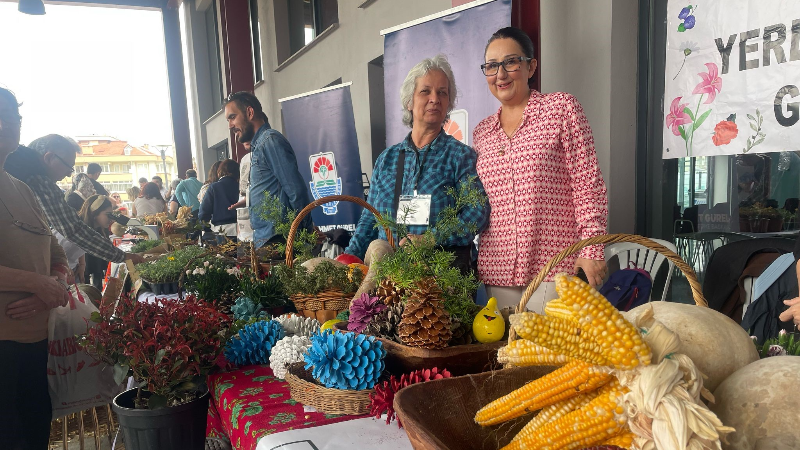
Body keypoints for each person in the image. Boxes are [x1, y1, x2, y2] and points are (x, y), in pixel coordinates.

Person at [472, 27, 608, 311]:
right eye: (491, 66)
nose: (501, 74)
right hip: (497, 270)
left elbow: (588, 184)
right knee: (507, 353)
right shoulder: (482, 132)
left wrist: (592, 248)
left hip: (555, 267)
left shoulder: (561, 109)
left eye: (511, 62)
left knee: (551, 355)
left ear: (531, 66)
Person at [344, 55, 490, 272]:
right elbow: (369, 219)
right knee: (376, 248)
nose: (435, 98)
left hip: (441, 278)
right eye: (425, 91)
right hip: (388, 279)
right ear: (409, 101)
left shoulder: (460, 156)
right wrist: (348, 259)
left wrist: (432, 238)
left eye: (442, 92)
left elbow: (477, 212)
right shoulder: (387, 159)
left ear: (449, 102)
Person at [0, 86, 71, 450]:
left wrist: (54, 285)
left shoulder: (21, 188)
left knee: (33, 431)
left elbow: (57, 254)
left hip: (33, 344)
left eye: (14, 115)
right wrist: (36, 283)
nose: (12, 122)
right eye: (6, 113)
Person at [4, 135, 144, 267]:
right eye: (69, 166)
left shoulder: (15, 165)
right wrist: (123, 257)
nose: (69, 174)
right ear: (49, 157)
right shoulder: (37, 178)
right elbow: (73, 229)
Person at [223, 91, 312, 247]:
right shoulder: (261, 145)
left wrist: (305, 234)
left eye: (232, 117)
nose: (230, 125)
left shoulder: (269, 141)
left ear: (250, 112)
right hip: (268, 238)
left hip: (279, 239)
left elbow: (296, 190)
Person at [78, 195, 115, 290]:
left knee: (97, 276)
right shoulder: (79, 229)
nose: (111, 219)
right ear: (94, 213)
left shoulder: (101, 229)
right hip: (72, 270)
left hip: (92, 263)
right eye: (108, 214)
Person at [199, 159, 240, 237]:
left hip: (221, 229)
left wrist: (206, 228)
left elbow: (204, 212)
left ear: (220, 171)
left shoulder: (214, 187)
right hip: (241, 227)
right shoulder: (241, 186)